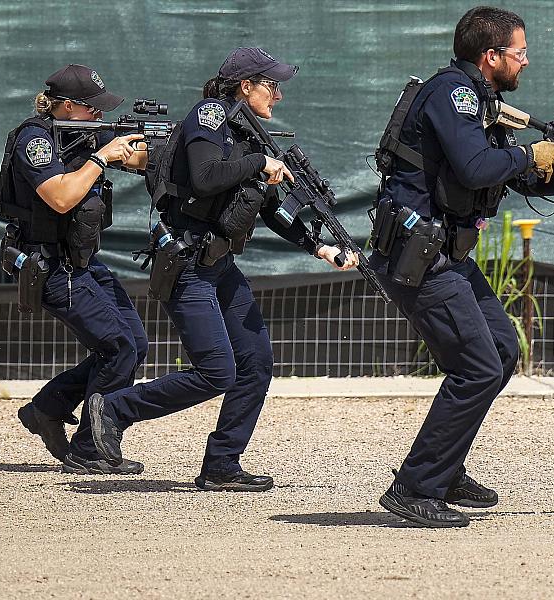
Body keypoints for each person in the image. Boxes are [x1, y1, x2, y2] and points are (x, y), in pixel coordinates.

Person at [368, 6, 554, 527]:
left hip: (444, 254)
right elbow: (477, 169)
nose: (526, 61)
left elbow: (516, 178)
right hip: (421, 256)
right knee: (476, 366)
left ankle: (444, 470)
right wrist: (532, 154)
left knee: (499, 347)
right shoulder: (455, 94)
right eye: (519, 52)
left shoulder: (481, 101)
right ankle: (416, 486)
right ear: (490, 55)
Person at [87, 47, 358, 492]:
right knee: (216, 371)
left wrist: (320, 247)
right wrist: (259, 163)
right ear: (245, 85)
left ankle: (221, 464)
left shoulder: (249, 134)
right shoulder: (210, 114)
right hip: (187, 263)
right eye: (272, 85)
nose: (279, 96)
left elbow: (271, 210)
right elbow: (206, 176)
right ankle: (115, 409)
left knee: (256, 363)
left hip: (221, 266)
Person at [0, 64, 149, 475]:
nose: (100, 115)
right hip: (46, 263)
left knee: (134, 342)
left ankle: (47, 409)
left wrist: (164, 150)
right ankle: (87, 450)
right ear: (66, 106)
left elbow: (138, 160)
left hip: (80, 261)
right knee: (118, 348)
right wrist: (101, 157)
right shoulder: (36, 139)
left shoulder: (81, 132)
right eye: (92, 108)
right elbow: (60, 198)